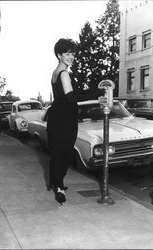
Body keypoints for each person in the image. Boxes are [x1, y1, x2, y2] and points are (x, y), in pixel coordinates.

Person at [47, 38, 105, 205]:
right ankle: (58, 188)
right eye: (67, 53)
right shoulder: (64, 73)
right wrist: (95, 93)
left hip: (58, 117)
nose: (71, 57)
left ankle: (57, 183)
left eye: (72, 53)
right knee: (64, 153)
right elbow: (71, 97)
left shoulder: (55, 73)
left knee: (59, 153)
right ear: (59, 55)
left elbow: (67, 94)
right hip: (64, 119)